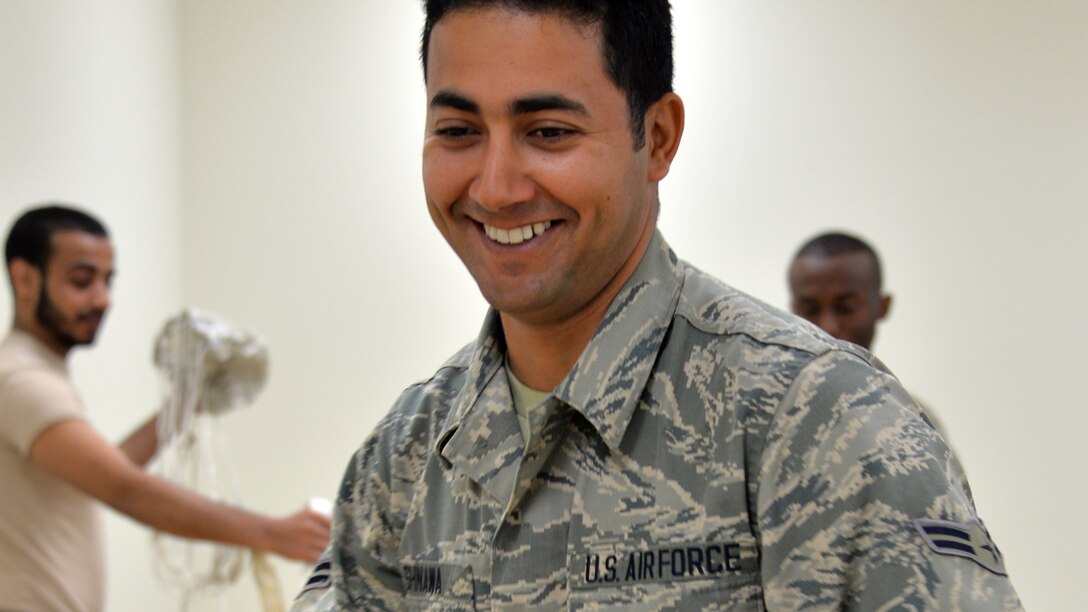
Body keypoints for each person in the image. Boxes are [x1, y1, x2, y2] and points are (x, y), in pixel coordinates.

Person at [295, 1, 1020, 609]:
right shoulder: (405, 460)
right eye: (459, 132)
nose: (496, 186)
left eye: (548, 132)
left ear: (659, 138)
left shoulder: (824, 425)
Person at [0, 205, 331, 611]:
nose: (102, 299)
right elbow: (120, 487)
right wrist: (274, 533)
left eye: (108, 281)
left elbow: (98, 472)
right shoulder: (18, 379)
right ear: (25, 278)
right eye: (82, 281)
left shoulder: (38, 375)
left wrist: (186, 403)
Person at [788, 231, 955, 442]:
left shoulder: (914, 421)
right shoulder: (768, 413)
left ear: (882, 306)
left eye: (845, 308)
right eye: (810, 309)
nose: (827, 327)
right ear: (792, 311)